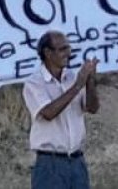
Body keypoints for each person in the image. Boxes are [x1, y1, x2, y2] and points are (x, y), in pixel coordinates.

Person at [22, 31, 99, 189]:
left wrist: (90, 81)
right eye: (63, 49)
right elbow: (49, 113)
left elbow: (92, 108)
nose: (68, 53)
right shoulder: (34, 83)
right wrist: (78, 85)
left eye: (68, 48)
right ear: (48, 53)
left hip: (77, 160)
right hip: (50, 164)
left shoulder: (72, 76)